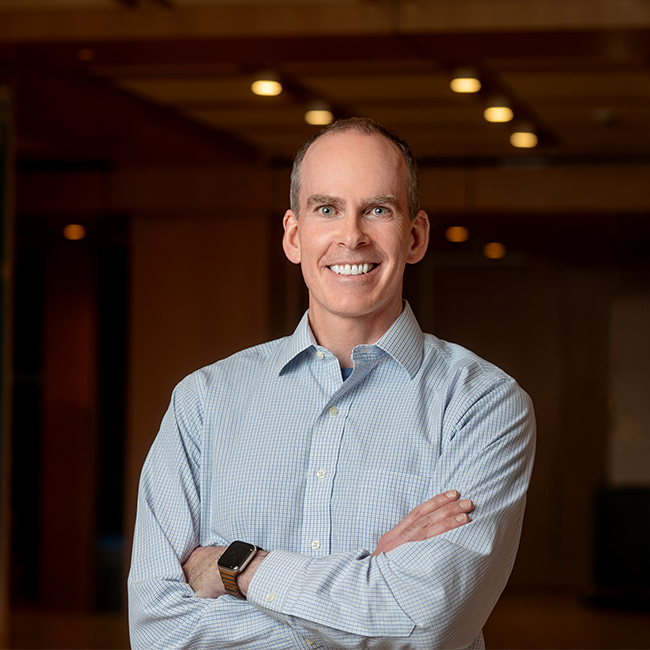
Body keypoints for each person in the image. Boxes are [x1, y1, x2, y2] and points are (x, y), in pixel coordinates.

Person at [128, 117, 536, 650]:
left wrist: (239, 568)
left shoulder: (483, 404)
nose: (351, 235)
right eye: (327, 209)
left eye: (378, 210)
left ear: (414, 237)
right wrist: (370, 583)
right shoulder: (203, 402)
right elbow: (159, 630)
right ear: (295, 237)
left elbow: (430, 625)